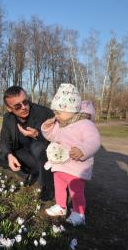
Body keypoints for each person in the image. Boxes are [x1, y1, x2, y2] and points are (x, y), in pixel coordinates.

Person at [42, 83, 101, 226]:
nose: (56, 116)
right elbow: (52, 137)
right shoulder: (61, 124)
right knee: (59, 187)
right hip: (60, 165)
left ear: (71, 110)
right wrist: (47, 127)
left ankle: (79, 213)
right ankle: (61, 206)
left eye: (58, 112)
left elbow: (94, 141)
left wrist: (83, 150)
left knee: (76, 192)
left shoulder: (85, 124)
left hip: (77, 167)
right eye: (55, 112)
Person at [0, 86, 55, 200]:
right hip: (24, 154)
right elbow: (4, 140)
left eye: (25, 102)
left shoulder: (44, 113)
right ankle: (29, 174)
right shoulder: (8, 118)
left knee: (37, 146)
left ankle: (48, 185)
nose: (24, 107)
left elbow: (59, 139)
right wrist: (9, 155)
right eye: (17, 106)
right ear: (9, 108)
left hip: (45, 158)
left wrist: (38, 135)